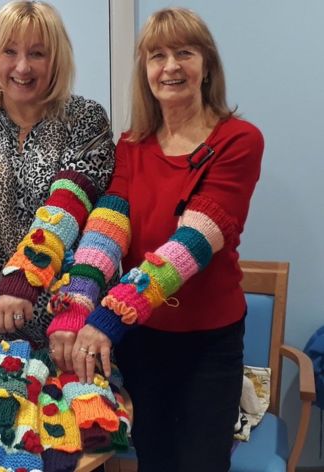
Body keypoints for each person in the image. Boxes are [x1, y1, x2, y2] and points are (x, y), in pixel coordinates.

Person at [54, 8, 264, 471]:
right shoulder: (133, 143)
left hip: (208, 343)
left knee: (201, 462)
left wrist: (107, 317)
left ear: (206, 65)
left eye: (184, 53)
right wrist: (77, 301)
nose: (170, 67)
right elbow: (109, 225)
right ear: (145, 70)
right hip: (144, 341)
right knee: (153, 458)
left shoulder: (239, 140)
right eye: (157, 56)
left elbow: (193, 242)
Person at [0, 0, 115, 350]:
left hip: (66, 318)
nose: (21, 67)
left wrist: (24, 280)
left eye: (37, 53)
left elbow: (69, 202)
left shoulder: (86, 118)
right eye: (9, 51)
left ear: (57, 58)